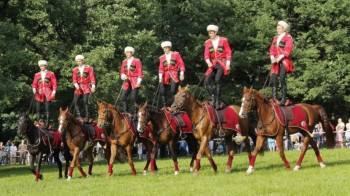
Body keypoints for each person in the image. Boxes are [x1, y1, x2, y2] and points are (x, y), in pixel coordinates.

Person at [204, 24, 232, 109]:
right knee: (206, 80)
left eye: (211, 33)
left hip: (221, 63)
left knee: (217, 80)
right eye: (209, 33)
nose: (210, 34)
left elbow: (228, 52)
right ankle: (213, 96)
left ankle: (218, 100)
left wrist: (228, 64)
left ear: (215, 32)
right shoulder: (208, 43)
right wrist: (208, 62)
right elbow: (206, 54)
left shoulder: (223, 40)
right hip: (212, 64)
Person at [269, 20, 294, 106]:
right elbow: (272, 49)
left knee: (282, 77)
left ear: (284, 29)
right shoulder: (275, 38)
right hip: (275, 61)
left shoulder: (288, 37)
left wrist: (280, 57)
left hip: (284, 60)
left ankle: (283, 98)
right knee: (274, 78)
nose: (277, 30)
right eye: (277, 28)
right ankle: (274, 97)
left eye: (279, 28)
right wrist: (272, 58)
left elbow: (288, 49)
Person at [158, 41, 186, 107]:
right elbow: (161, 68)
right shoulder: (162, 58)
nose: (165, 50)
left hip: (174, 73)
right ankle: (164, 104)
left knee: (173, 90)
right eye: (164, 48)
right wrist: (160, 77)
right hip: (165, 75)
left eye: (166, 48)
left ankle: (175, 104)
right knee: (162, 89)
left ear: (169, 48)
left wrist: (181, 74)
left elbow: (181, 64)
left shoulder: (176, 54)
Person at [32, 60, 57, 129]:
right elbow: (34, 84)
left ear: (45, 66)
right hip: (39, 92)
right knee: (38, 108)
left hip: (48, 92)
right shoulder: (37, 75)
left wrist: (53, 92)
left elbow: (54, 84)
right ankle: (39, 122)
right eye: (40, 66)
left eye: (43, 66)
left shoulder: (51, 74)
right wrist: (34, 89)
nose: (41, 67)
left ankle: (47, 123)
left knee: (47, 108)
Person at [120, 46, 143, 121]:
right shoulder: (124, 62)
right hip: (127, 81)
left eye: (128, 52)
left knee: (133, 98)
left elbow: (139, 71)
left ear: (132, 53)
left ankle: (136, 113)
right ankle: (126, 112)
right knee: (123, 96)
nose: (127, 54)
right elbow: (122, 72)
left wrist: (139, 82)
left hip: (135, 80)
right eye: (126, 53)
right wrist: (124, 76)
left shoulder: (137, 60)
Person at [72, 55, 96, 122]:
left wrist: (93, 86)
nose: (79, 63)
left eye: (80, 61)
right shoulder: (75, 70)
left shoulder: (88, 68)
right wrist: (76, 85)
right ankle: (79, 115)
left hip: (86, 86)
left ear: (83, 61)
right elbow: (74, 79)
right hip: (78, 86)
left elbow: (92, 77)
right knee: (75, 101)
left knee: (85, 101)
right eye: (77, 61)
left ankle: (87, 115)